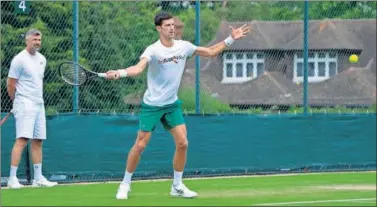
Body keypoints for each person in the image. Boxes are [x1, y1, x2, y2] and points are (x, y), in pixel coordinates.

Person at [104, 11, 250, 199]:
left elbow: (210, 52)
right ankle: (125, 184)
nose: (172, 28)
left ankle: (177, 185)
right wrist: (120, 72)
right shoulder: (153, 50)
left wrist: (231, 38)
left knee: (183, 143)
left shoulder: (184, 47)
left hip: (171, 104)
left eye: (173, 25)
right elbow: (139, 68)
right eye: (167, 26)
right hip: (152, 105)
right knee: (140, 145)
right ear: (158, 28)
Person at [7, 29, 58, 188]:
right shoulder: (19, 60)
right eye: (35, 39)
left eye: (39, 39)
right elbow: (10, 84)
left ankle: (38, 178)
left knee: (38, 140)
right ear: (27, 41)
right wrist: (16, 101)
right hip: (24, 103)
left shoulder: (42, 59)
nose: (38, 42)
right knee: (22, 139)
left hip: (39, 104)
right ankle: (12, 179)